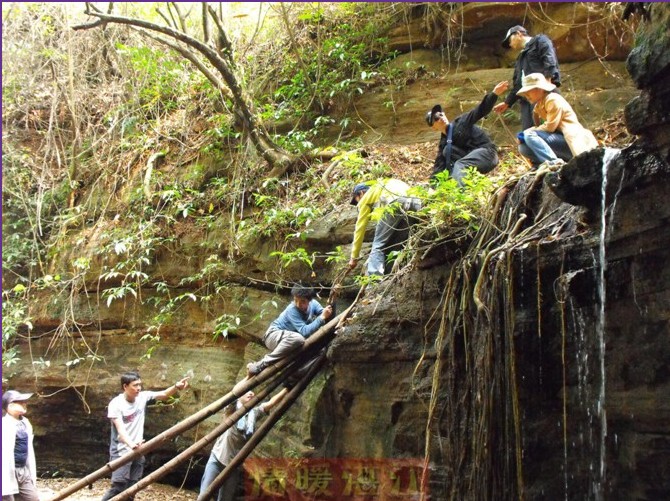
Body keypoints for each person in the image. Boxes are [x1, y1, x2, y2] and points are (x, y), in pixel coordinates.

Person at [101, 371, 191, 501]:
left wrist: (176, 386)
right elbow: (121, 430)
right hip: (121, 451)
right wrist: (132, 445)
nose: (139, 388)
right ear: (125, 386)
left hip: (139, 450)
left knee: (132, 488)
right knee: (119, 487)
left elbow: (164, 394)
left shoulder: (142, 397)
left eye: (140, 385)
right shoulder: (116, 404)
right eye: (135, 385)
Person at [199, 389, 287, 501]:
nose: (251, 393)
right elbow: (236, 391)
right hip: (217, 458)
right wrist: (248, 375)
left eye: (253, 392)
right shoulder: (232, 410)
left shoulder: (253, 414)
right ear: (240, 395)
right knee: (203, 495)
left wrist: (286, 388)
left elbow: (270, 403)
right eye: (248, 391)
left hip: (233, 466)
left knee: (225, 498)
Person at [426, 81, 509, 185]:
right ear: (434, 128)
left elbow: (478, 112)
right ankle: (465, 185)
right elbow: (439, 166)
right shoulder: (444, 142)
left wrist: (494, 94)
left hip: (487, 154)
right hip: (471, 160)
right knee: (448, 152)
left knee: (460, 165)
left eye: (441, 114)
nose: (440, 118)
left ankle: (461, 194)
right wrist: (433, 186)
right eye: (436, 118)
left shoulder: (461, 123)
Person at [515, 73, 599, 169]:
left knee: (529, 135)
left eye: (528, 91)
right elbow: (539, 129)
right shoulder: (539, 105)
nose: (526, 95)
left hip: (572, 143)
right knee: (523, 147)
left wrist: (527, 132)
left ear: (540, 89)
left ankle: (554, 163)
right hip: (560, 142)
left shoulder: (552, 99)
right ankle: (540, 164)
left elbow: (550, 127)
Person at [246, 286, 333, 377]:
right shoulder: (292, 309)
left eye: (302, 301)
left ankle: (294, 377)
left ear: (309, 301)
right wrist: (322, 317)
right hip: (273, 336)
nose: (298, 304)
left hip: (291, 340)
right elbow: (305, 331)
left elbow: (324, 314)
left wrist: (329, 309)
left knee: (320, 350)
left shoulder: (314, 304)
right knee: (299, 338)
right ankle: (262, 363)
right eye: (296, 300)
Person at [348, 179, 422, 276]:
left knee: (378, 245)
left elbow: (359, 229)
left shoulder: (366, 198)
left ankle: (374, 280)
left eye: (356, 199)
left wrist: (354, 257)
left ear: (361, 193)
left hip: (394, 203)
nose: (358, 203)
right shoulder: (385, 184)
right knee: (397, 243)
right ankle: (390, 274)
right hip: (414, 201)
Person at [494, 25, 561, 130]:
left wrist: (547, 87)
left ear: (519, 34)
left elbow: (549, 60)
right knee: (528, 133)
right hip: (527, 100)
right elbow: (518, 84)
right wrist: (507, 102)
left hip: (543, 93)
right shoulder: (520, 58)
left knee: (551, 129)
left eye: (510, 40)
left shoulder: (540, 41)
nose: (510, 44)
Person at [2, 390, 38, 501]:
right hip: (6, 471)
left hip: (23, 470)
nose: (24, 404)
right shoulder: (4, 424)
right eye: (20, 402)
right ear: (11, 405)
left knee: (33, 499)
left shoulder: (26, 423)